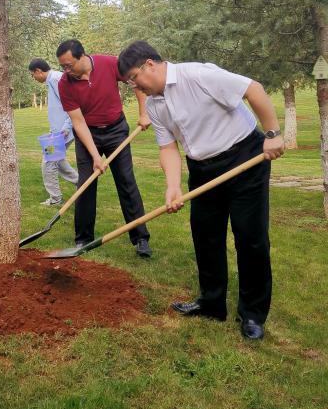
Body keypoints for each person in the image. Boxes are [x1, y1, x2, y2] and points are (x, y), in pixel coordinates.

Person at [118, 40, 285, 340]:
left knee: (250, 237)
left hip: (243, 158)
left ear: (149, 65)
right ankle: (212, 303)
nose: (135, 88)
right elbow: (168, 148)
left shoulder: (197, 75)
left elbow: (253, 88)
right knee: (205, 235)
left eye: (134, 79)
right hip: (202, 168)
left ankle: (252, 314)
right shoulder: (155, 105)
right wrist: (172, 187)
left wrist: (272, 133)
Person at [56, 38, 152, 258]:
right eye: (62, 66)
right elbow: (78, 122)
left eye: (68, 65)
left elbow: (136, 81)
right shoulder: (64, 83)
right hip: (87, 133)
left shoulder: (109, 63)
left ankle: (140, 238)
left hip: (116, 130)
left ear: (82, 56)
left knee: (126, 182)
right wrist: (95, 156)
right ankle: (83, 239)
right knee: (85, 184)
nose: (65, 70)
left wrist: (143, 113)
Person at [28, 58, 79, 207]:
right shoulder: (52, 80)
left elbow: (72, 103)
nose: (33, 78)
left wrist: (66, 128)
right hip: (59, 131)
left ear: (38, 71)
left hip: (64, 131)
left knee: (48, 162)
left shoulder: (57, 79)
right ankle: (82, 184)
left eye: (32, 74)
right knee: (59, 161)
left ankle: (55, 199)